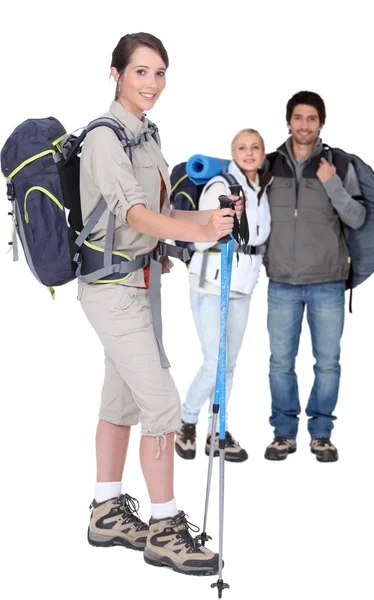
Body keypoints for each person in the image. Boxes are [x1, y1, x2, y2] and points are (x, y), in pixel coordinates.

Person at [78, 32, 243, 576]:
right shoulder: (105, 138)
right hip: (111, 288)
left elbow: (168, 212)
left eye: (160, 73)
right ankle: (166, 528)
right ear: (116, 73)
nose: (152, 83)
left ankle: (106, 510)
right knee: (164, 405)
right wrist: (193, 233)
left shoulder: (147, 136)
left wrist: (215, 219)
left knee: (122, 400)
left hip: (142, 284)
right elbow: (137, 218)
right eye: (141, 71)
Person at [263, 91, 366, 463]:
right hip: (282, 282)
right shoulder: (269, 164)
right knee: (279, 362)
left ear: (321, 123)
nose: (304, 125)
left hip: (327, 281)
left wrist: (332, 184)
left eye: (311, 119)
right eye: (298, 118)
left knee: (327, 362)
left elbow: (357, 217)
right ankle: (283, 434)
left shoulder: (337, 163)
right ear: (288, 121)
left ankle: (321, 433)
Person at [175, 129, 271, 462]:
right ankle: (186, 421)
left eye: (255, 147)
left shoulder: (262, 190)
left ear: (263, 153)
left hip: (242, 287)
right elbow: (201, 237)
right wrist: (231, 216)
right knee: (215, 362)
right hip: (211, 285)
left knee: (228, 365)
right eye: (242, 148)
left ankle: (217, 431)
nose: (249, 153)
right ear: (232, 153)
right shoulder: (220, 186)